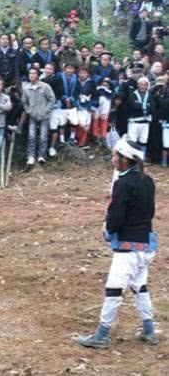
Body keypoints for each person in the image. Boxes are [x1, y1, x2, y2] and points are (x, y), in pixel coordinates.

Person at [74, 137, 158, 349]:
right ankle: (149, 330)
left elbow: (116, 217)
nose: (112, 159)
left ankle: (102, 335)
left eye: (115, 156)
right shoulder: (147, 181)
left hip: (128, 248)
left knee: (114, 289)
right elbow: (150, 212)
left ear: (125, 159)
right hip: (146, 244)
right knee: (140, 286)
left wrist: (108, 229)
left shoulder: (123, 184)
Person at [22, 67, 56, 165]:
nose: (32, 75)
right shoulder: (26, 88)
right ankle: (31, 156)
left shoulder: (45, 86)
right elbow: (24, 102)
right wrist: (29, 111)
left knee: (43, 136)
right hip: (32, 115)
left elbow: (52, 99)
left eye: (34, 73)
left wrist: (46, 110)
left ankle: (42, 155)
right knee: (31, 136)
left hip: (44, 115)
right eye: (30, 73)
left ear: (38, 75)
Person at [126, 77, 155, 159]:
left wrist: (140, 105)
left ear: (147, 86)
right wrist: (146, 106)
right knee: (132, 140)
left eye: (145, 85)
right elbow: (133, 106)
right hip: (134, 122)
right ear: (138, 85)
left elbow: (152, 107)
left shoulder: (149, 95)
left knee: (143, 140)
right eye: (141, 84)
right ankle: (131, 158)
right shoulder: (133, 95)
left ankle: (141, 158)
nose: (143, 86)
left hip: (145, 122)